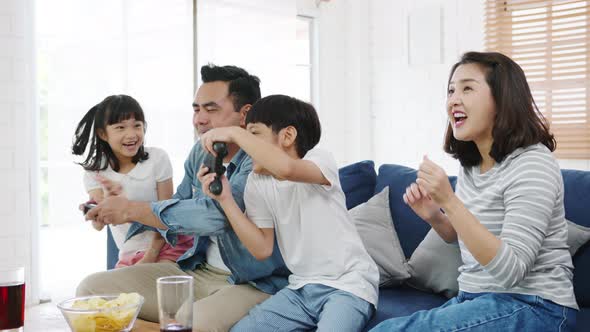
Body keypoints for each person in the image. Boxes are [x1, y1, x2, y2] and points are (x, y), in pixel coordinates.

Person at [371, 51, 578, 331]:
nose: (453, 99)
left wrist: (449, 200)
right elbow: (470, 241)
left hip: (536, 305)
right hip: (474, 298)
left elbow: (511, 269)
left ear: (502, 100)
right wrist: (436, 216)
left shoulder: (533, 163)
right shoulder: (473, 163)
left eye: (467, 88)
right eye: (451, 90)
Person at [77, 65, 289, 332]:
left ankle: (145, 326)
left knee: (195, 322)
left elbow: (215, 216)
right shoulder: (200, 153)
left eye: (210, 109)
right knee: (91, 289)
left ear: (244, 114)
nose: (199, 119)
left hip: (250, 282)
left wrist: (131, 209)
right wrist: (117, 208)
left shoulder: (261, 160)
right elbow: (179, 203)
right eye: (196, 109)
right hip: (196, 271)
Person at [198, 94, 379, 332]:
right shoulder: (258, 181)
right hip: (300, 290)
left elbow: (286, 169)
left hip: (348, 287)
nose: (244, 147)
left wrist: (234, 133)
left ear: (288, 136)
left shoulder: (319, 160)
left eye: (253, 134)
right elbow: (261, 249)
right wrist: (226, 200)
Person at [72, 94, 193, 268]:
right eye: (120, 127)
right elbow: (99, 225)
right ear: (102, 134)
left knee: (157, 285)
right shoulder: (95, 173)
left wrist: (149, 257)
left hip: (168, 246)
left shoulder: (157, 159)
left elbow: (167, 216)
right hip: (129, 254)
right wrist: (103, 204)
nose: (132, 134)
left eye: (137, 125)